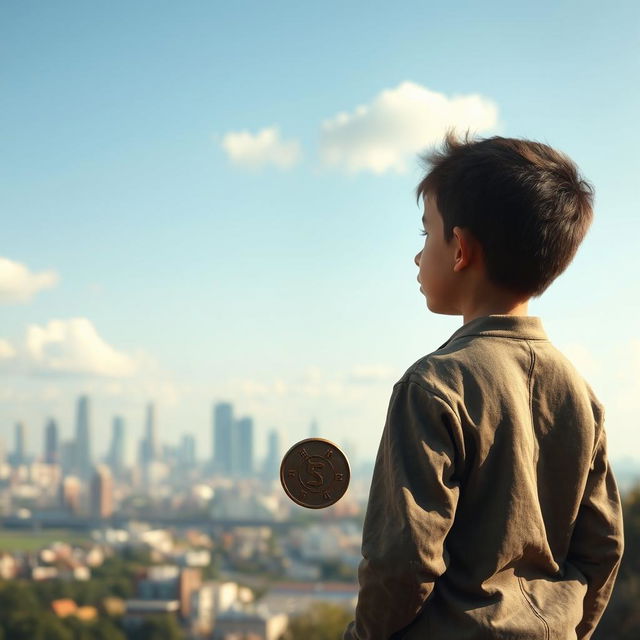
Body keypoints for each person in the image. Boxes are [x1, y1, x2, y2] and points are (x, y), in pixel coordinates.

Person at [342, 130, 624, 640]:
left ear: (461, 250)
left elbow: (402, 561)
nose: (418, 254)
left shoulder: (432, 385)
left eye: (426, 233)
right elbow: (602, 547)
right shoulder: (581, 396)